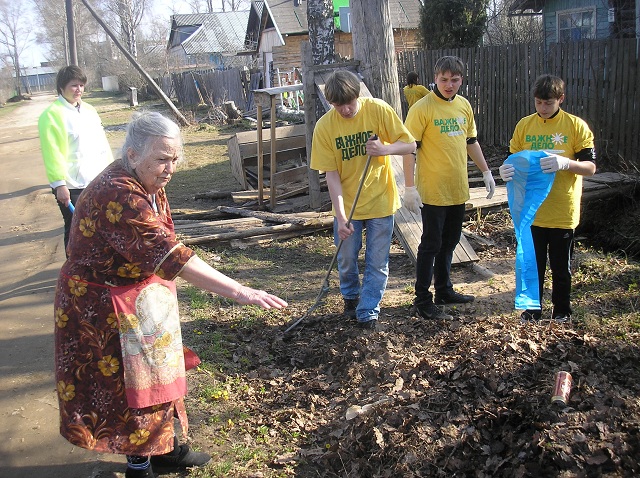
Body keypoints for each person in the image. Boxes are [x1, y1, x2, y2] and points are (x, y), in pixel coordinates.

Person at [53, 112, 288, 478]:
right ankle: (140, 465)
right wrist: (241, 290)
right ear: (132, 155)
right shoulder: (118, 193)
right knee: (131, 387)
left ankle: (165, 450)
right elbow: (172, 256)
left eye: (175, 158)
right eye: (162, 159)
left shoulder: (147, 179)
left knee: (160, 372)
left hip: (139, 294)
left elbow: (167, 245)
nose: (170, 167)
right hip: (102, 306)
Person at [310, 70, 416, 329]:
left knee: (377, 262)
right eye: (338, 105)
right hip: (348, 206)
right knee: (346, 258)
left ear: (357, 95)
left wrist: (385, 149)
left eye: (350, 102)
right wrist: (342, 215)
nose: (346, 109)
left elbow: (410, 145)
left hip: (381, 200)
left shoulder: (378, 110)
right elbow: (331, 175)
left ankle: (368, 311)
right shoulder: (324, 127)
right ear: (331, 103)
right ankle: (350, 296)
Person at [402, 56, 496, 320]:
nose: (449, 85)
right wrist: (409, 187)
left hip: (457, 188)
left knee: (451, 241)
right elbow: (409, 149)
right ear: (435, 78)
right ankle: (422, 299)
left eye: (454, 80)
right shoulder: (422, 108)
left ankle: (444, 290)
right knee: (430, 244)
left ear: (461, 80)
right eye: (444, 79)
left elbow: (471, 141)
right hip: (432, 190)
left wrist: (486, 171)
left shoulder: (464, 106)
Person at [499, 74, 596, 323]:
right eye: (539, 102)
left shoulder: (575, 126)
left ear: (560, 99)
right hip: (532, 211)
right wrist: (505, 170)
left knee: (561, 267)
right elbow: (514, 160)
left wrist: (565, 163)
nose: (542, 108)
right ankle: (533, 308)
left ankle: (562, 310)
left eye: (548, 103)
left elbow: (590, 167)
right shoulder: (524, 126)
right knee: (533, 263)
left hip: (562, 208)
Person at [38, 65, 114, 252]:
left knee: (99, 226)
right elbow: (52, 152)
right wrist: (59, 185)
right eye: (74, 85)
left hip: (96, 180)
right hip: (72, 184)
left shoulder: (89, 110)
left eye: (81, 85)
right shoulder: (52, 115)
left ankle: (95, 268)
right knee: (76, 229)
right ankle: (73, 273)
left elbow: (102, 144)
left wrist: (112, 172)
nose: (78, 89)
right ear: (62, 87)